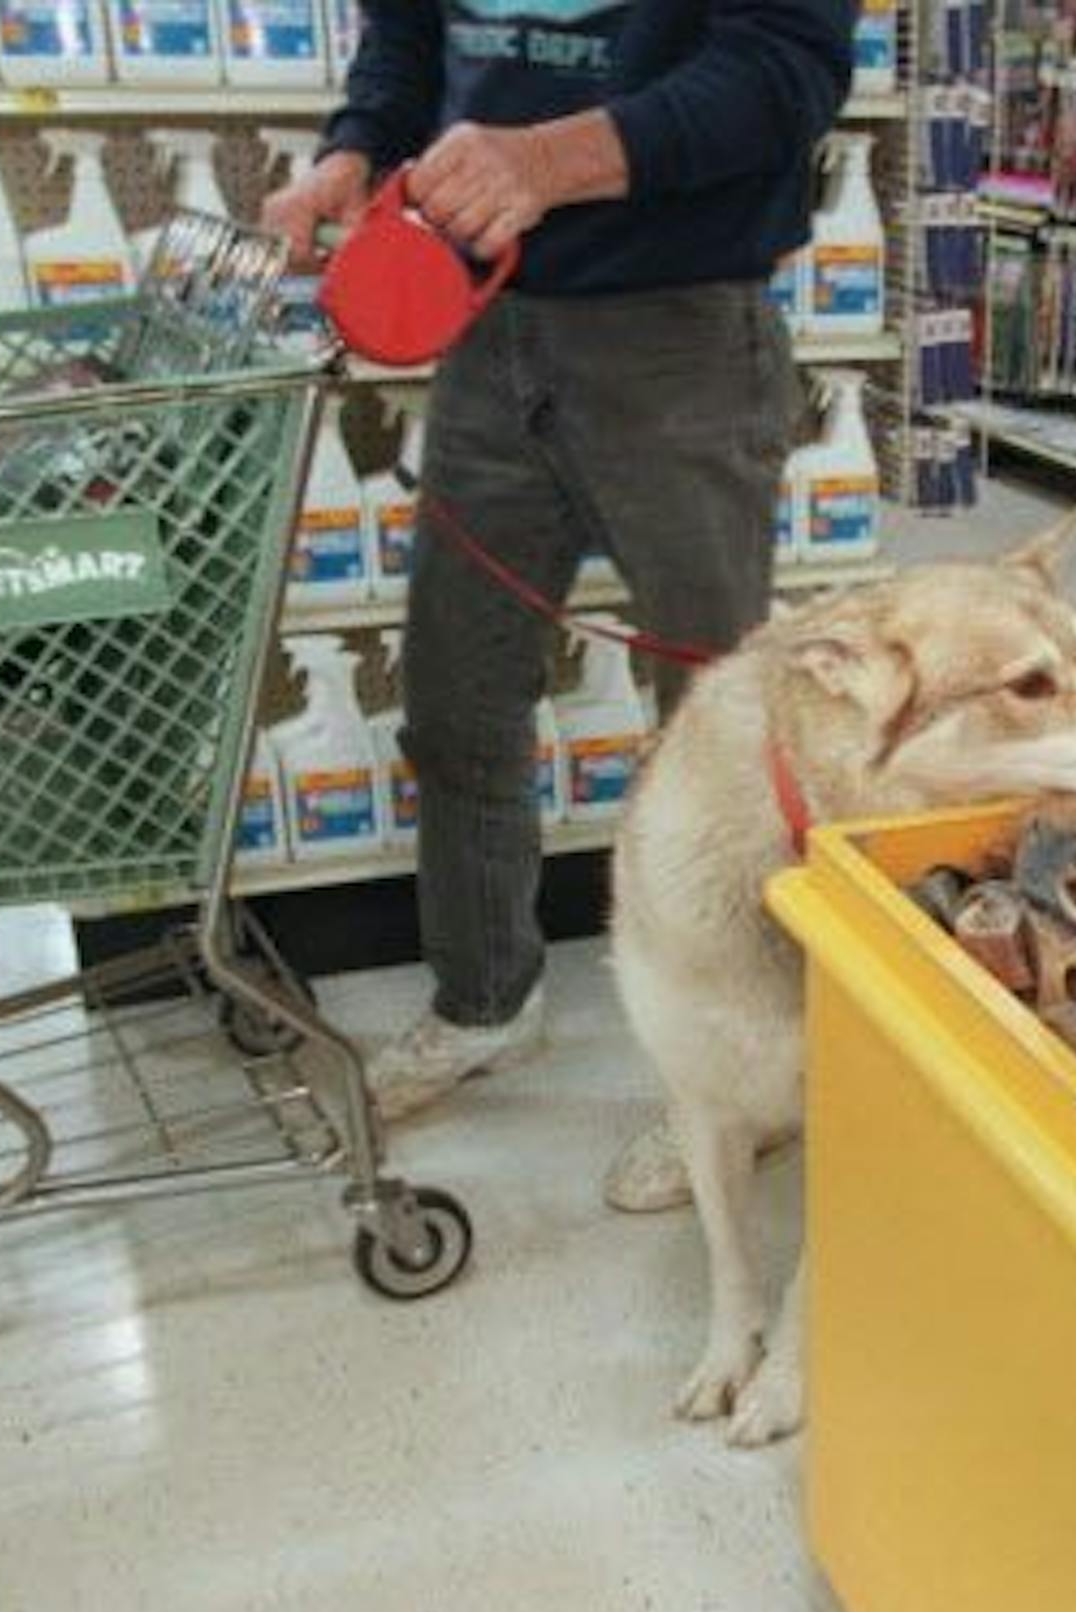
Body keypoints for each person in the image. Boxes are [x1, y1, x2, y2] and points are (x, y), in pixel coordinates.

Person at [263, 0, 853, 1197]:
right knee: (456, 695)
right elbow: (408, 39)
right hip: (485, 326)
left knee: (723, 735)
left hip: (680, 336)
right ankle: (485, 1000)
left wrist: (546, 158)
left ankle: (750, 1081)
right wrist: (352, 149)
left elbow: (784, 71)